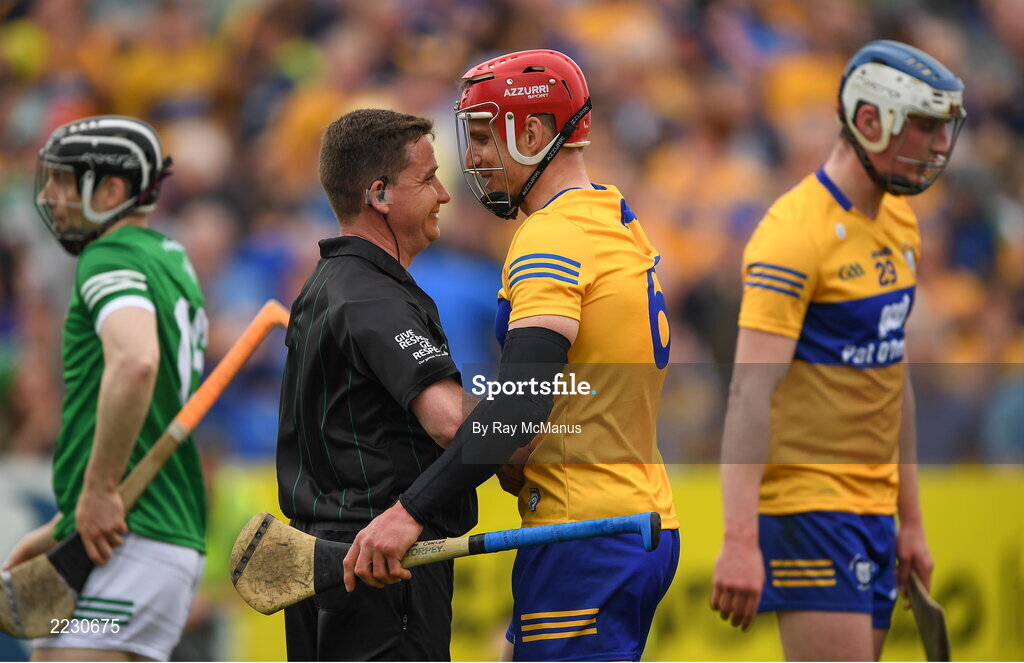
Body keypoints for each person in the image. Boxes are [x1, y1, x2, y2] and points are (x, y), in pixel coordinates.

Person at [343, 49, 680, 662]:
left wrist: (410, 512)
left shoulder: (551, 233)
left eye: (480, 137)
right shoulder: (614, 215)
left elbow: (522, 404)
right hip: (635, 519)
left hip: (585, 532)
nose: (469, 159)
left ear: (530, 132)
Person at [710, 40, 966, 661]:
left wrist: (911, 519)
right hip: (809, 509)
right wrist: (740, 538)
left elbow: (891, 377)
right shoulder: (793, 235)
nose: (938, 145)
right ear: (870, 120)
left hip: (874, 511)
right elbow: (749, 394)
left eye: (942, 129)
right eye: (924, 126)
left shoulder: (901, 222)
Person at [2, 115, 208, 661]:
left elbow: (138, 361)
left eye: (64, 182)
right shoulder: (170, 257)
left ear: (112, 191)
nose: (49, 196)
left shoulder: (108, 256)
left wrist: (96, 493)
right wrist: (64, 523)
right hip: (137, 534)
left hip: (133, 536)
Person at [275, 108, 476, 661]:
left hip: (326, 572)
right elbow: (455, 423)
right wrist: (531, 417)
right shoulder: (374, 297)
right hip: (383, 570)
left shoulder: (325, 285)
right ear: (380, 195)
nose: (443, 194)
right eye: (428, 179)